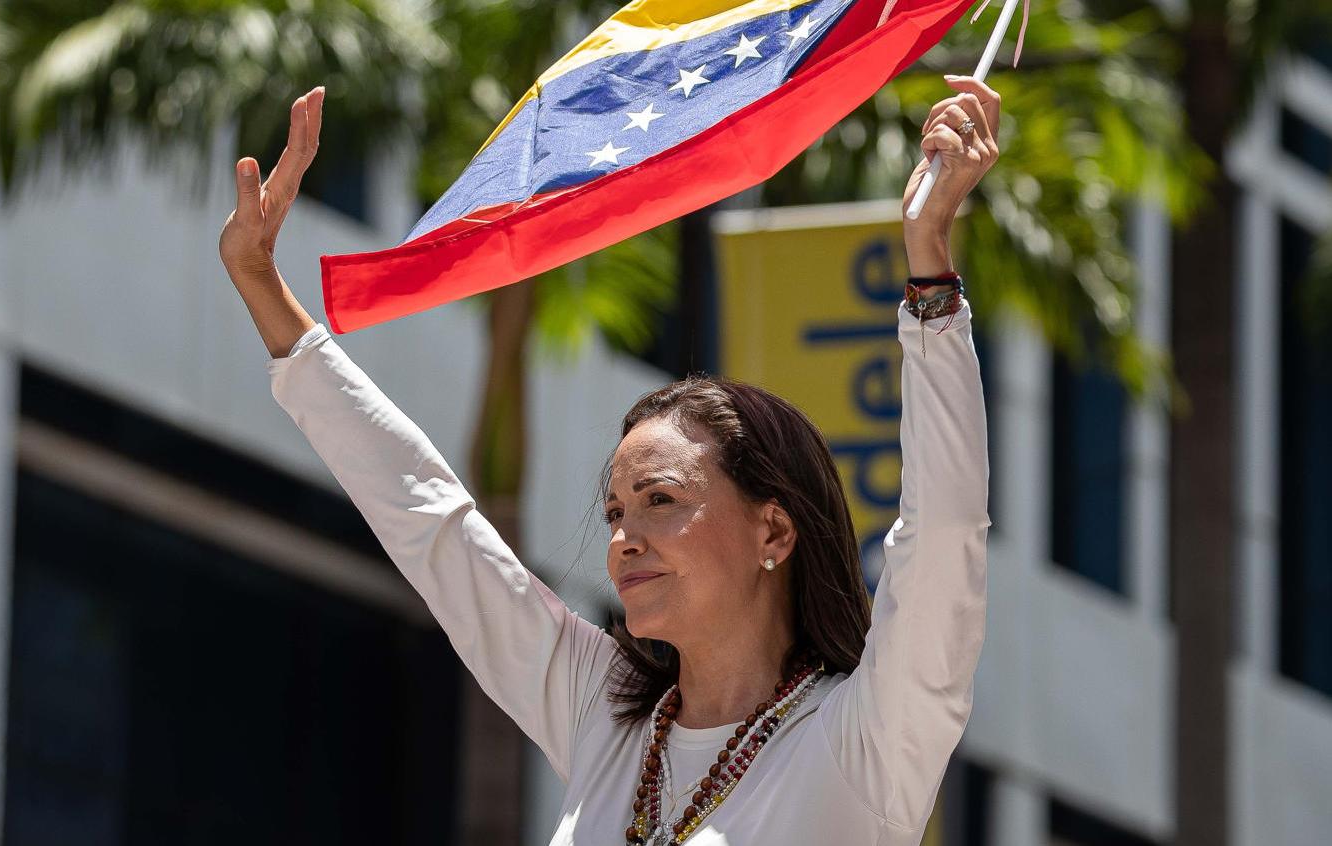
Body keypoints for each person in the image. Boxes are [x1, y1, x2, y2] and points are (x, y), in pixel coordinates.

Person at [218, 78, 997, 845]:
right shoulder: (607, 713)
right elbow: (433, 524)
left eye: (660, 500)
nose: (623, 538)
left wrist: (928, 268)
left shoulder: (866, 736)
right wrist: (263, 289)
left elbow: (942, 536)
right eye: (617, 512)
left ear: (774, 532)